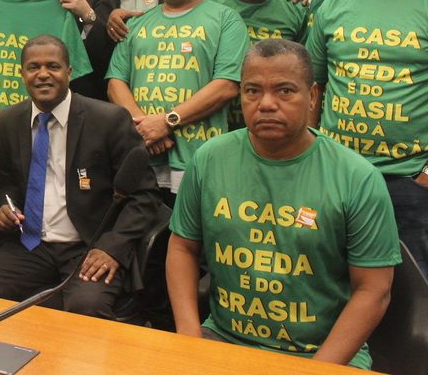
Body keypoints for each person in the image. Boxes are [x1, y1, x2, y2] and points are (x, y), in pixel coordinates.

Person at [168, 39, 399, 369]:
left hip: (320, 353)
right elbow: (182, 248)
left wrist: (317, 368)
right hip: (222, 339)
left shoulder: (357, 177)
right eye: (252, 91)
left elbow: (374, 290)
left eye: (285, 91)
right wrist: (189, 336)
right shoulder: (209, 159)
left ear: (313, 97)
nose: (266, 104)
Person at [0, 36, 160, 319]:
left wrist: (112, 249)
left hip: (89, 245)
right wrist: (4, 210)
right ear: (22, 74)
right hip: (33, 245)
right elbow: (8, 184)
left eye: (53, 66)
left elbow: (145, 196)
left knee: (86, 307)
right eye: (33, 67)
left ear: (69, 72)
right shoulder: (8, 120)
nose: (43, 74)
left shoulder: (108, 120)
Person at [307, 0, 428, 288]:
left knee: (415, 298)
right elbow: (314, 85)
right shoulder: (335, 3)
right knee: (331, 282)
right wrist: (309, 153)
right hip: (336, 174)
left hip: (409, 181)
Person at [106, 0, 249, 203]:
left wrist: (167, 121)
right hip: (142, 156)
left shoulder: (225, 19)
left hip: (197, 159)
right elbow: (115, 80)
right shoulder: (139, 23)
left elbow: (227, 85)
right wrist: (144, 126)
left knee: (190, 241)